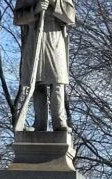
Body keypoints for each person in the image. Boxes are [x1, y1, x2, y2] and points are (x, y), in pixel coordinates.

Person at [14, 0, 75, 131]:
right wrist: (35, 9)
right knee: (36, 83)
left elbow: (71, 16)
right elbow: (18, 18)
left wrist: (54, 3)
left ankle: (59, 122)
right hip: (34, 36)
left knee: (57, 81)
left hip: (54, 37)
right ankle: (39, 123)